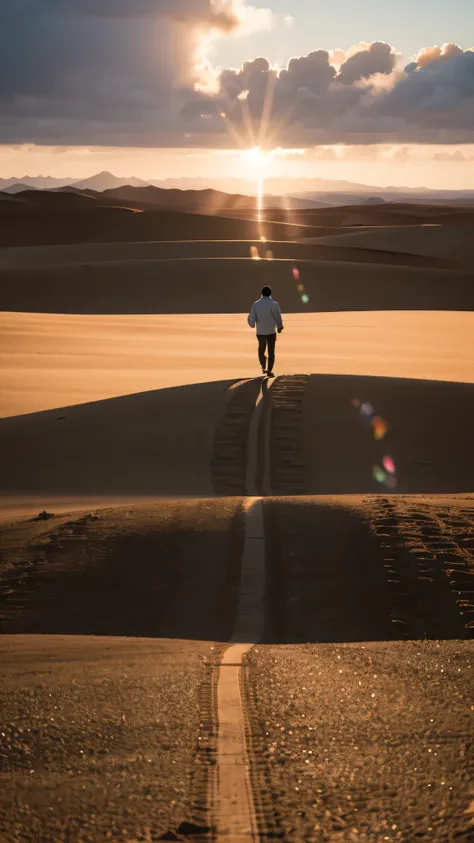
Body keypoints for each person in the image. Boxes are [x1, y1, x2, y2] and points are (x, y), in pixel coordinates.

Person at [248, 285, 284, 377]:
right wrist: (279, 327)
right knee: (271, 351)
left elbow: (252, 318)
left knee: (261, 348)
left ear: (262, 293)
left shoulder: (256, 304)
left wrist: (252, 324)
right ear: (270, 293)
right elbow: (278, 316)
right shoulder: (274, 304)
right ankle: (269, 370)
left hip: (260, 332)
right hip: (271, 331)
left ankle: (263, 364)